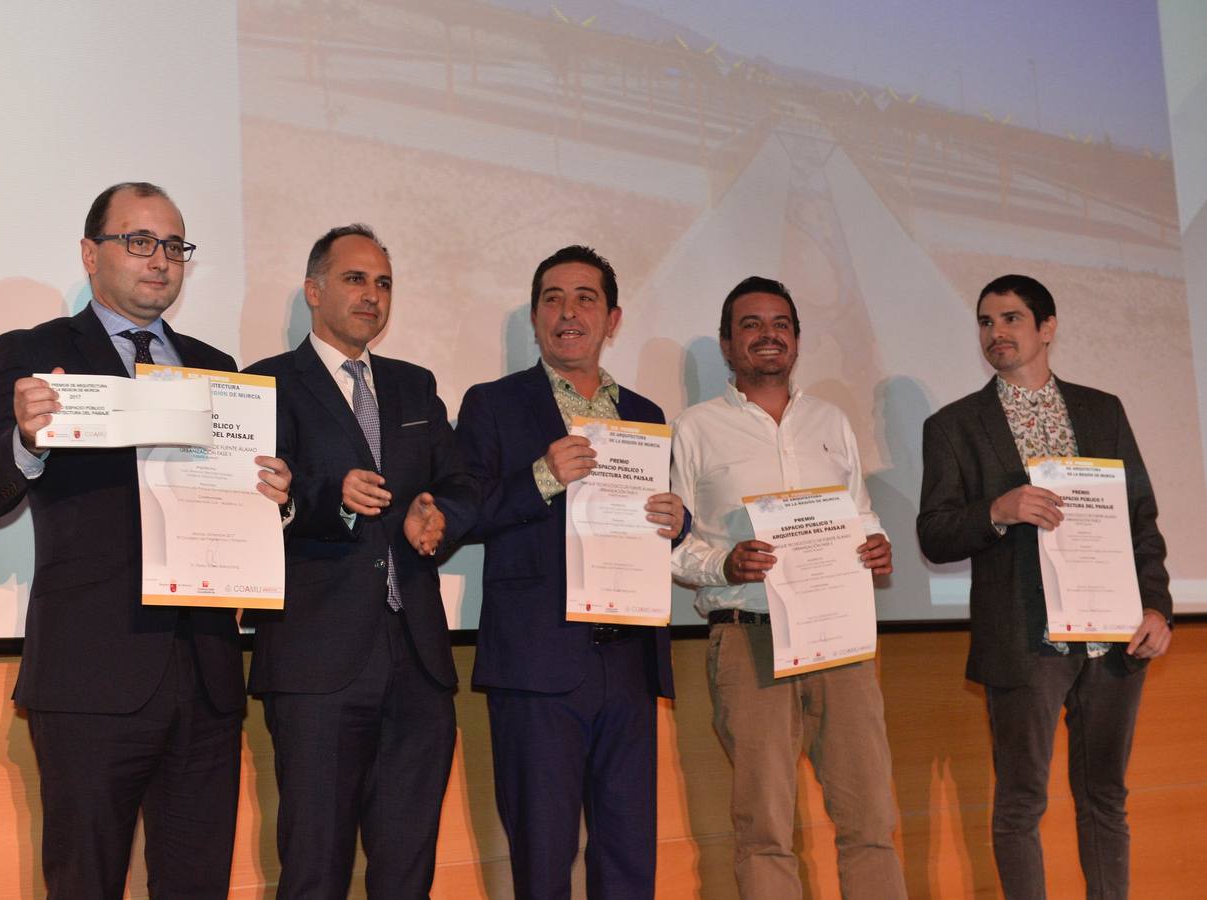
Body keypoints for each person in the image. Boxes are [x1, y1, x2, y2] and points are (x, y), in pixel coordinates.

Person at [0, 181, 291, 899]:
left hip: (206, 679)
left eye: (174, 245)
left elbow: (234, 506)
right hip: (89, 680)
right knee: (84, 884)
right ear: (90, 252)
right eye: (139, 241)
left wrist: (270, 501)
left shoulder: (217, 370)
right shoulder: (38, 352)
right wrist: (23, 439)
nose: (160, 260)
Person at [917, 274, 1172, 899]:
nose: (995, 333)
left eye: (1009, 319)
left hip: (1113, 637)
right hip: (1024, 640)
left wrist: (1158, 606)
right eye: (985, 322)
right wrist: (997, 510)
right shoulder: (954, 425)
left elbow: (1140, 519)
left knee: (1106, 798)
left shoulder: (1100, 409)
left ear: (1046, 328)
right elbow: (935, 533)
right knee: (1021, 804)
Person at [243, 224, 478, 899]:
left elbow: (462, 488)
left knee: (407, 870)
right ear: (314, 291)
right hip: (319, 662)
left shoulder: (412, 386)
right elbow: (255, 496)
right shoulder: (266, 383)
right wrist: (332, 499)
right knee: (315, 868)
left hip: (419, 661)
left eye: (383, 283)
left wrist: (435, 513)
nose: (371, 295)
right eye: (354, 279)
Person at [454, 245, 684, 899]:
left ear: (612, 319)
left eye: (586, 298)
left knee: (630, 859)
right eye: (552, 297)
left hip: (629, 663)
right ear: (534, 316)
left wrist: (678, 520)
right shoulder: (493, 404)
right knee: (543, 860)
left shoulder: (644, 414)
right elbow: (463, 513)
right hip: (537, 666)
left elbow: (651, 526)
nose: (568, 312)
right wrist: (542, 476)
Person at [670, 276, 908, 900]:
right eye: (750, 324)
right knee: (765, 828)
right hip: (750, 642)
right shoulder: (695, 429)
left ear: (797, 339)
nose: (766, 334)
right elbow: (672, 539)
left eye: (779, 323)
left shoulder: (831, 421)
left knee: (872, 821)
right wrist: (725, 563)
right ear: (728, 344)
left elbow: (860, 510)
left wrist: (875, 541)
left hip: (842, 643)